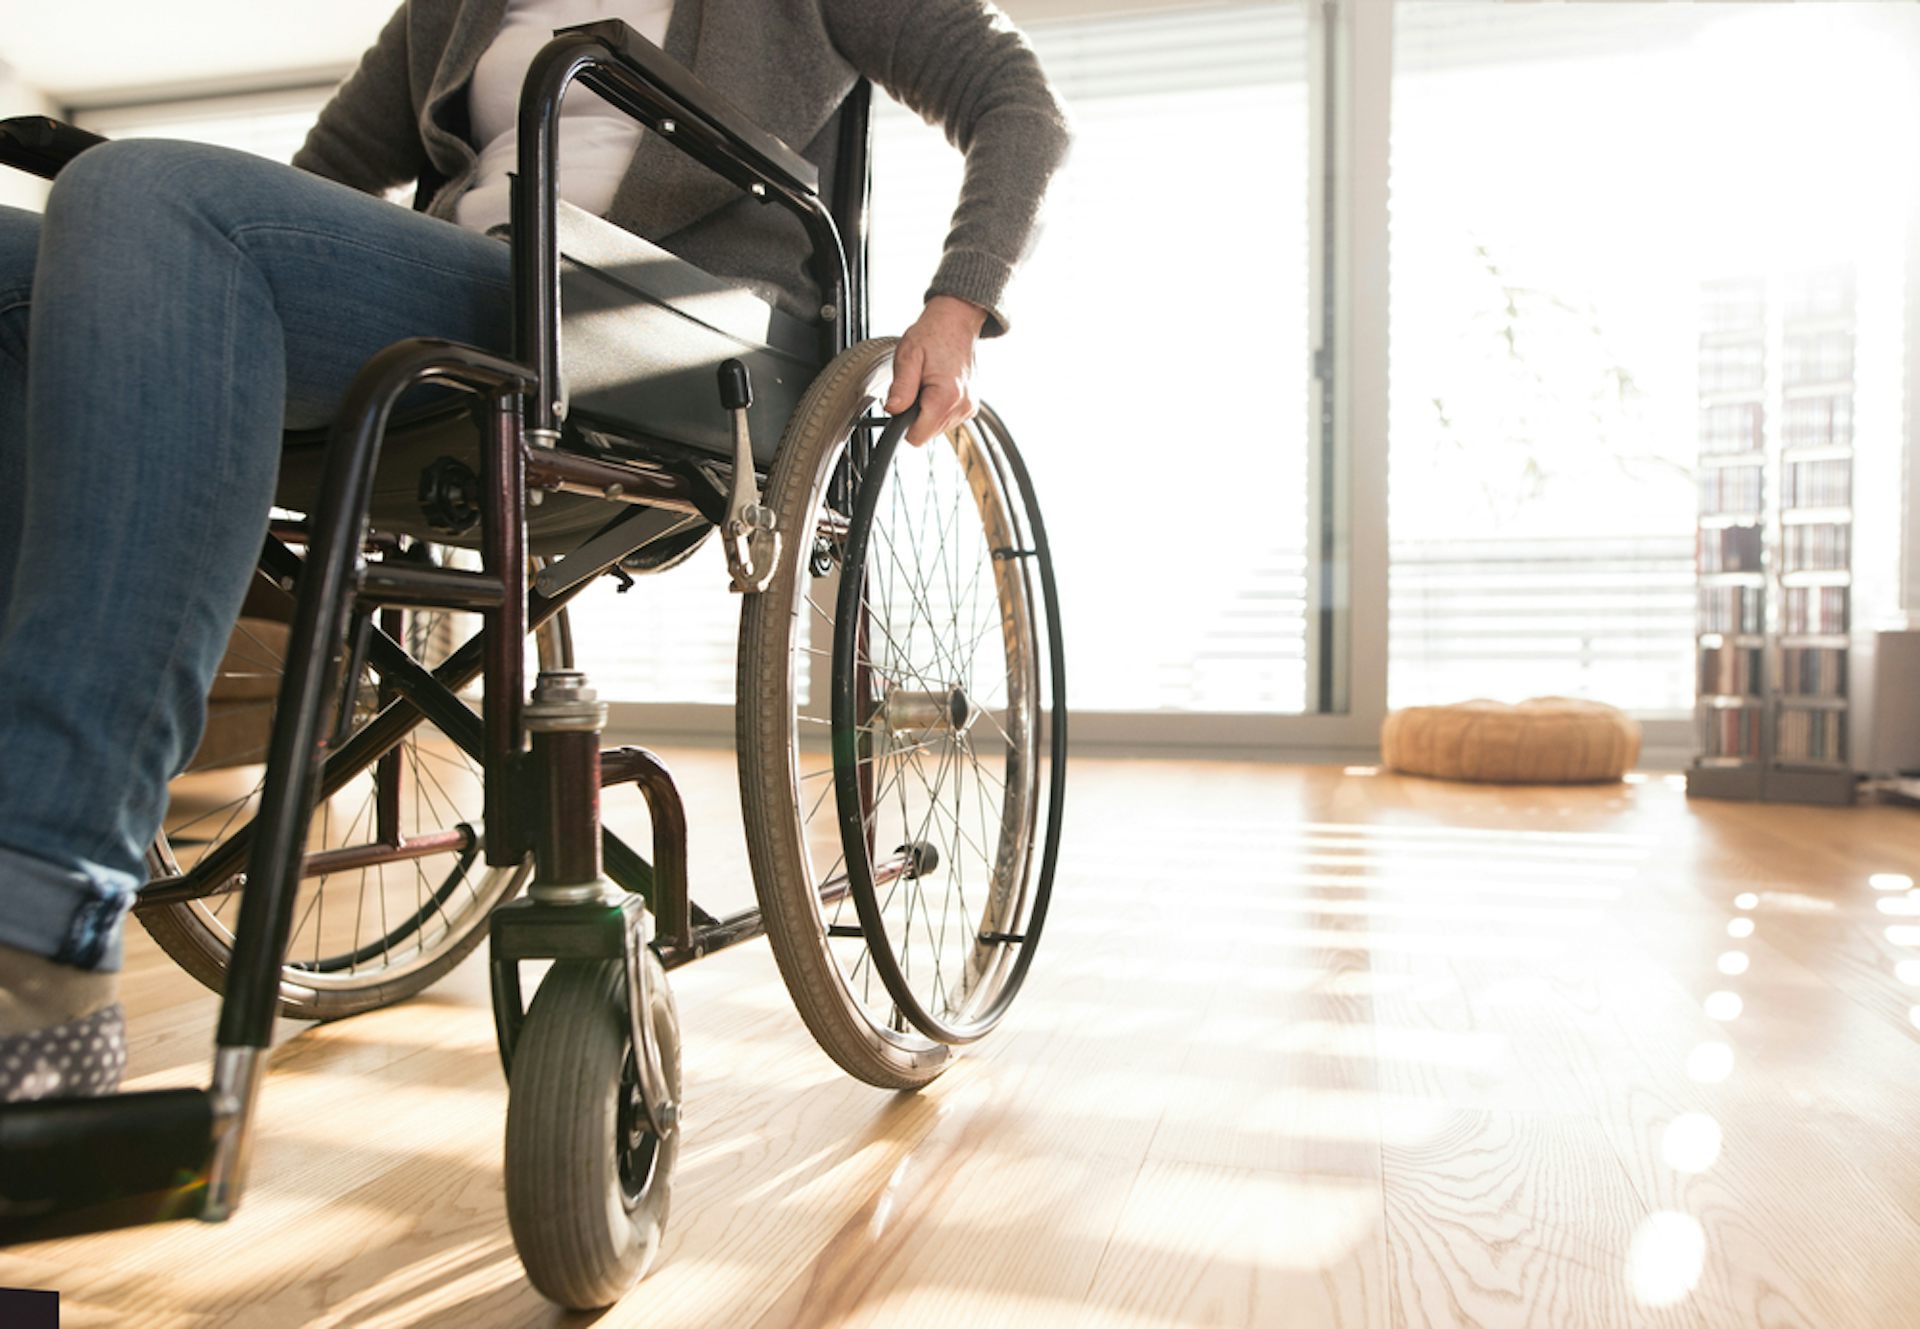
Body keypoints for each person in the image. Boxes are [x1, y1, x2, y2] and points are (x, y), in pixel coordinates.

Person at [0, 0, 1069, 1101]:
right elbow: (319, 182)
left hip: (659, 323)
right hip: (464, 287)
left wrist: (958, 306)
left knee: (142, 192)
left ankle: (41, 919)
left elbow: (1016, 102)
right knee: (33, 248)